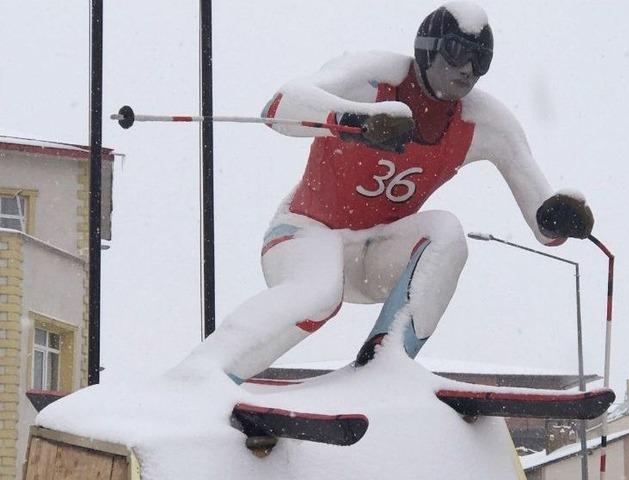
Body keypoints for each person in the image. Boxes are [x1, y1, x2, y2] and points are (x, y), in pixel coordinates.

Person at [185, 1, 595, 382]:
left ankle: (382, 369)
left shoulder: (485, 122)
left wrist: (558, 218)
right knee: (319, 294)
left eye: (480, 59)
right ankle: (207, 375)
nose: (468, 69)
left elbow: (542, 218)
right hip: (304, 234)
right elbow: (277, 109)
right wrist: (357, 118)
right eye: (456, 52)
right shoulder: (373, 78)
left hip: (377, 254)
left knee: (447, 233)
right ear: (427, 49)